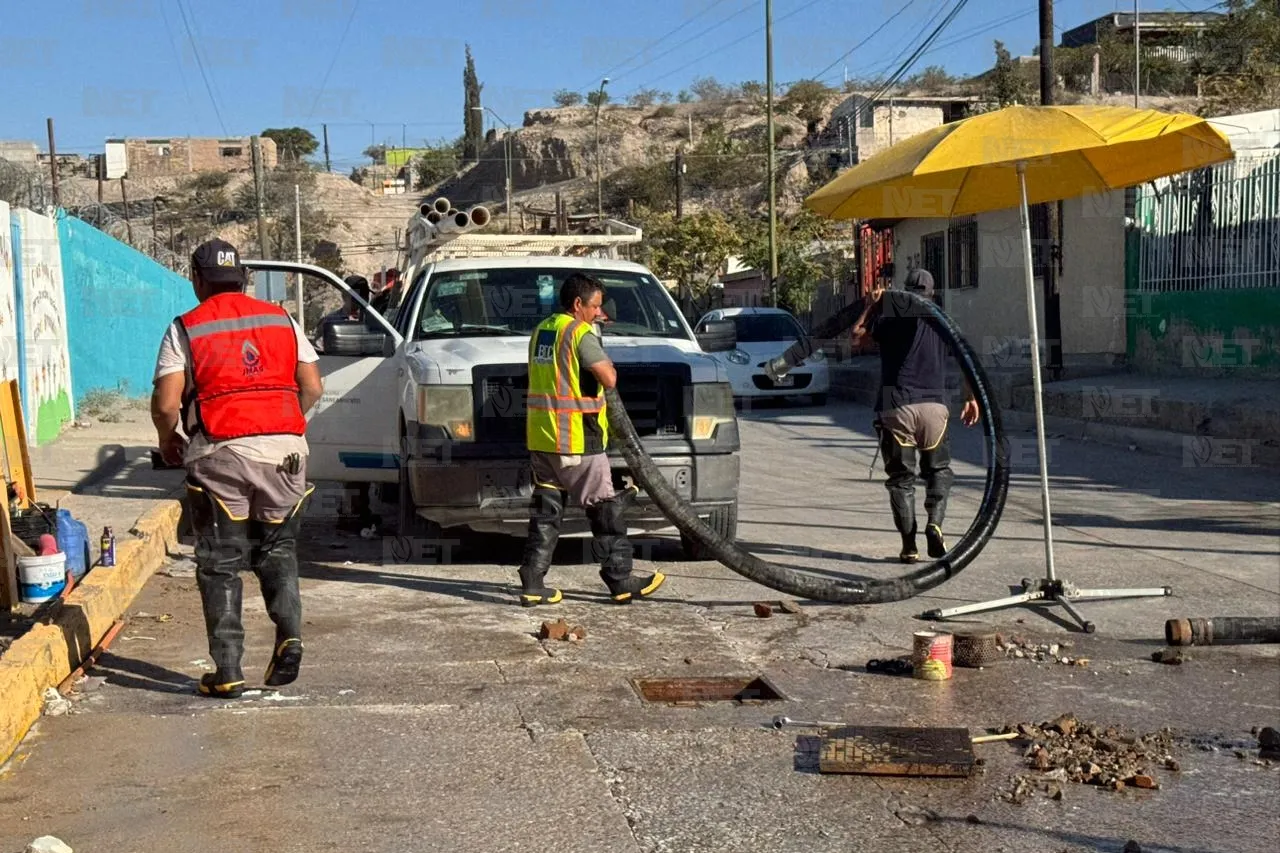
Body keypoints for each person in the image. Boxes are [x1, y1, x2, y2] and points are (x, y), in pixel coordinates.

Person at [151, 238, 324, 698]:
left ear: (198, 280)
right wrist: (285, 427)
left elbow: (168, 404)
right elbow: (312, 385)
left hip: (221, 454)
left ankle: (228, 670)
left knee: (220, 562)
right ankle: (289, 636)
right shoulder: (282, 318)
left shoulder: (186, 327)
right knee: (278, 551)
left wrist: (169, 440)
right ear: (243, 277)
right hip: (286, 454)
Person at [518, 273, 661, 607]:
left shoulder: (543, 330)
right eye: (596, 306)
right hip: (577, 438)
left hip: (542, 437)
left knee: (546, 512)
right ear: (578, 304)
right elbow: (608, 377)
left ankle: (532, 582)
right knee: (604, 510)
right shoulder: (579, 333)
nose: (599, 313)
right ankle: (620, 579)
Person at [851, 268, 980, 563]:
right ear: (931, 293)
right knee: (939, 471)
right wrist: (970, 396)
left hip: (896, 407)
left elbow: (856, 339)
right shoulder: (941, 321)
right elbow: (968, 358)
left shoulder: (889, 318)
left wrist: (872, 305)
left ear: (904, 290)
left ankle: (909, 546)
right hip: (934, 408)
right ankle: (935, 522)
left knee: (901, 479)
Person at [313, 274, 371, 352]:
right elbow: (319, 352)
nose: (361, 301)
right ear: (344, 296)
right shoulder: (330, 322)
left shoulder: (375, 321)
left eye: (364, 295)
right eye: (356, 297)